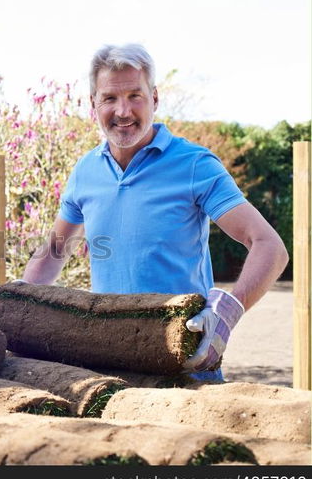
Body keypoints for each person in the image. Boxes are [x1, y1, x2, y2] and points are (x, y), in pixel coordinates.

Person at [22, 44, 289, 380]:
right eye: (109, 98)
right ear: (93, 104)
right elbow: (53, 254)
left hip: (184, 369)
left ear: (155, 98)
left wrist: (227, 314)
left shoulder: (194, 165)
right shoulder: (85, 171)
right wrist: (16, 302)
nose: (123, 111)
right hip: (110, 370)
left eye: (135, 95)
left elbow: (269, 245)